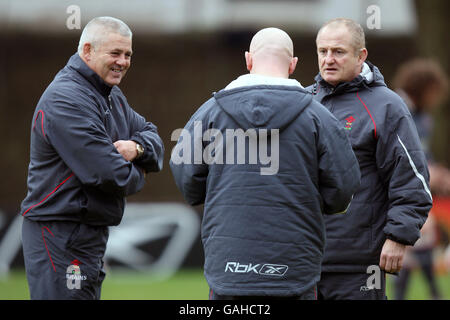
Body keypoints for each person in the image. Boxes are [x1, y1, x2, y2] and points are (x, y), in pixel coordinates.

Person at [170, 27, 360, 300]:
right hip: (295, 267)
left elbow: (188, 181)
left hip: (228, 266)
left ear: (248, 60)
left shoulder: (209, 113)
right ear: (293, 65)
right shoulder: (319, 118)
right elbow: (343, 189)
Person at [20, 17, 164, 300]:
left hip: (87, 235)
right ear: (87, 51)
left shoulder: (111, 96)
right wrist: (141, 172)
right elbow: (111, 175)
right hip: (59, 235)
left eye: (128, 55)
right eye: (115, 53)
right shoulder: (66, 99)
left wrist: (137, 150)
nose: (122, 62)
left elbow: (154, 138)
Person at [306, 18, 433, 300]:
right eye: (322, 51)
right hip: (303, 262)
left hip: (359, 264)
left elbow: (413, 179)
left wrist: (399, 237)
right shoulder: (303, 102)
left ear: (360, 55)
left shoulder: (387, 105)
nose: (328, 59)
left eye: (338, 51)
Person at [392, 58, 449, 300]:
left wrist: (438, 172)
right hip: (398, 192)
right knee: (415, 238)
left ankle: (428, 293)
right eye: (435, 91)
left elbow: (423, 154)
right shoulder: (396, 107)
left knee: (420, 241)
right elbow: (396, 153)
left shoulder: (424, 118)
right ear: (425, 87)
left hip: (417, 190)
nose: (437, 98)